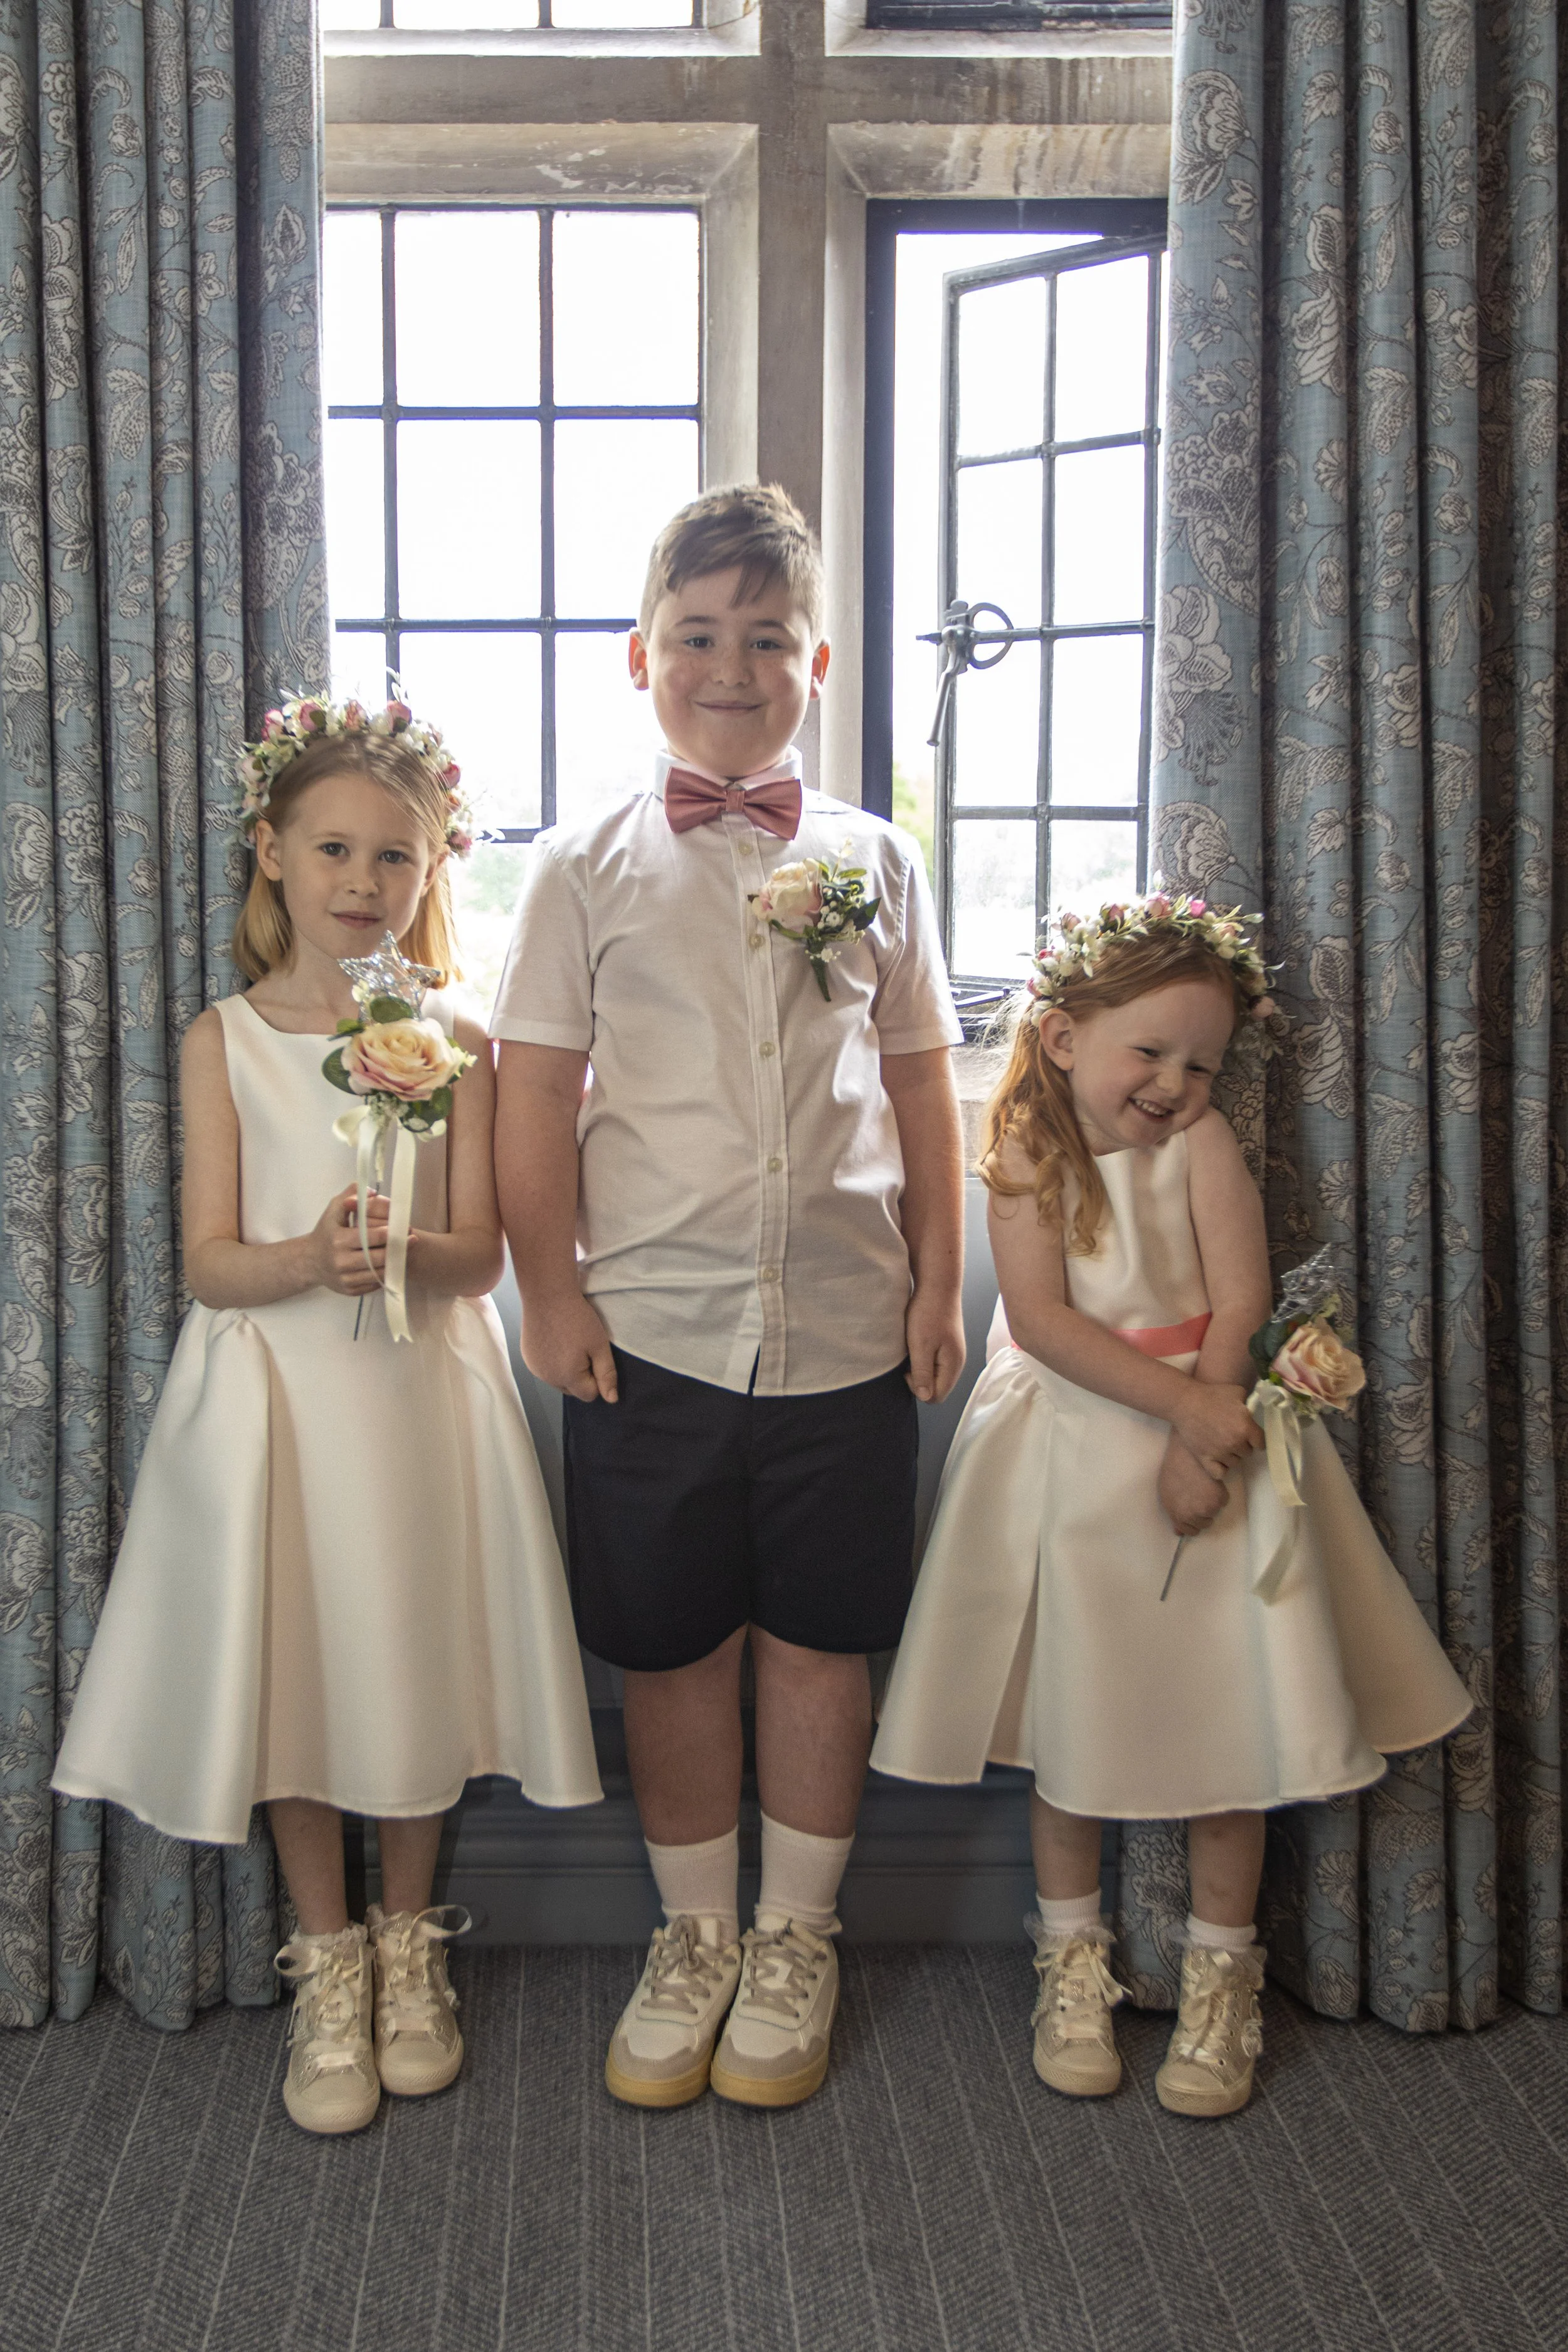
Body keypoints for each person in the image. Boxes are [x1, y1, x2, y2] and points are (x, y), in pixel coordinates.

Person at [54, 694, 601, 2136]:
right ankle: (329, 1957)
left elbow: (484, 1252)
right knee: (302, 1658)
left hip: (418, 1392)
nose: (364, 885)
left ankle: (413, 1946)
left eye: (397, 860)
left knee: (409, 1651)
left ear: (435, 873)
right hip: (280, 1400)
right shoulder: (222, 1038)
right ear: (273, 854)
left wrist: (408, 1254)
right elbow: (209, 1261)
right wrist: (308, 1258)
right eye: (336, 851)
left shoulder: (459, 1041)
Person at [492, 484, 966, 2109]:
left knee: (821, 1638)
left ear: (816, 658)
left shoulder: (877, 860)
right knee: (675, 1644)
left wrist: (937, 1287)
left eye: (767, 637)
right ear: (643, 657)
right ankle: (693, 1930)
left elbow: (920, 1088)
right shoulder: (582, 868)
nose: (732, 663)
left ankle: (796, 1931)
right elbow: (532, 1095)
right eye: (697, 635)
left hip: (843, 1325)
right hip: (649, 1331)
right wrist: (545, 1295)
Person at [872, 892, 1470, 2118]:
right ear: (1060, 1039)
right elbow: (1038, 1322)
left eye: (1199, 1062)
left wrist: (1210, 1428)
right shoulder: (1030, 1156)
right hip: (1070, 1450)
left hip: (1211, 1440)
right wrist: (1178, 1413)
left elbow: (1240, 1302)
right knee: (1071, 1732)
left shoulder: (1201, 1147)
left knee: (1222, 1733)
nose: (1172, 1082)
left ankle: (1218, 1979)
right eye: (1148, 1051)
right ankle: (1071, 1962)